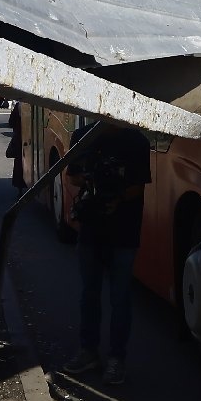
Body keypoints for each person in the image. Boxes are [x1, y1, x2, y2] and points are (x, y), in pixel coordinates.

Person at [60, 120, 150, 384]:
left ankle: (116, 359)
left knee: (120, 299)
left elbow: (138, 186)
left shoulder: (137, 142)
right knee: (90, 295)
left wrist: (117, 197)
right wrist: (89, 180)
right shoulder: (82, 136)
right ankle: (89, 352)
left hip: (124, 233)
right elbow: (71, 174)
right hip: (91, 231)